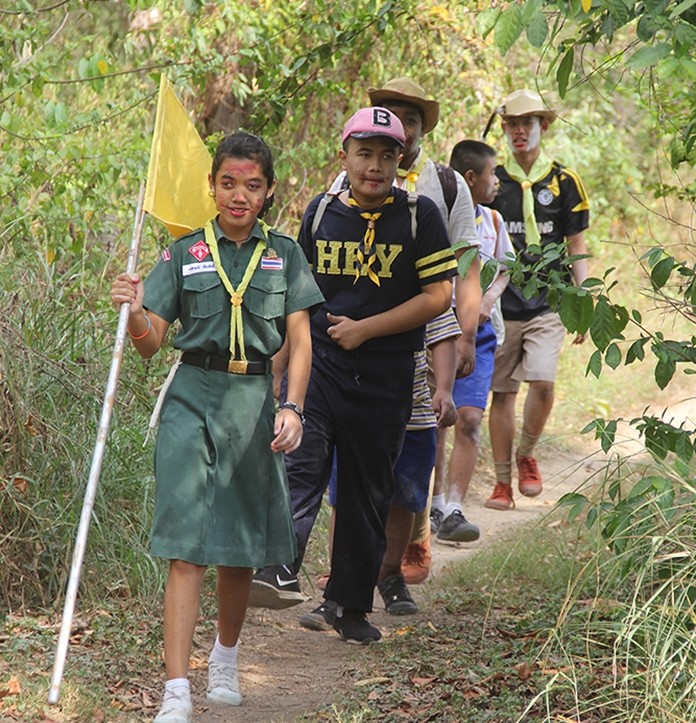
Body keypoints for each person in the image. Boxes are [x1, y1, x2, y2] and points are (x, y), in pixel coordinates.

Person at [110, 132, 324, 723]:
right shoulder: (183, 253)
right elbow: (151, 343)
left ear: (269, 191)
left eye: (252, 185)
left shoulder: (285, 254)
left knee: (237, 547)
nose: (239, 196)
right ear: (211, 185)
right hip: (191, 398)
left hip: (253, 403)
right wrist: (135, 313)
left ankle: (224, 658)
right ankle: (176, 689)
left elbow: (301, 341)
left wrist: (293, 407)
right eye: (228, 183)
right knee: (186, 549)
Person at [249, 107, 457, 643]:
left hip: (386, 373)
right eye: (364, 154)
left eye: (387, 155)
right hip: (320, 366)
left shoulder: (419, 216)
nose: (375, 166)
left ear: (401, 160)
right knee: (300, 462)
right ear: (343, 157)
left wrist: (367, 329)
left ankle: (349, 605)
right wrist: (278, 371)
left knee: (367, 490)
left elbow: (439, 296)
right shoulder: (320, 213)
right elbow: (297, 299)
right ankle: (278, 566)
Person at [349, 77, 481, 583]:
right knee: (361, 443)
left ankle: (415, 540)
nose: (400, 128)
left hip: (431, 324)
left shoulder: (446, 184)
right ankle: (355, 561)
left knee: (425, 428)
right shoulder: (352, 177)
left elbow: (467, 264)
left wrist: (465, 333)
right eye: (391, 115)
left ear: (424, 128)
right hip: (365, 326)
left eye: (410, 119)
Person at [299, 309, 460, 630]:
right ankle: (339, 588)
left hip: (414, 412)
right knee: (348, 499)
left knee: (404, 498)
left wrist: (444, 389)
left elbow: (442, 332)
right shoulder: (351, 290)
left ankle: (389, 574)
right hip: (355, 404)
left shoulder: (420, 290)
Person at [485, 89, 590, 511]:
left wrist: (583, 300)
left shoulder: (564, 181)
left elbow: (577, 244)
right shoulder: (493, 180)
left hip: (549, 302)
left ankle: (527, 454)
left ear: (542, 126)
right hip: (502, 304)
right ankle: (501, 482)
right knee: (502, 393)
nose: (519, 132)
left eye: (527, 123)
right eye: (512, 124)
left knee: (543, 383)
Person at [429, 140, 514, 541]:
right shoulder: (434, 214)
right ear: (469, 178)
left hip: (479, 334)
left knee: (470, 418)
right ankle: (432, 503)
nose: (497, 181)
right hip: (437, 328)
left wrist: (486, 300)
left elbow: (505, 269)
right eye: (492, 174)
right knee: (436, 416)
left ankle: (455, 508)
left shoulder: (493, 221)